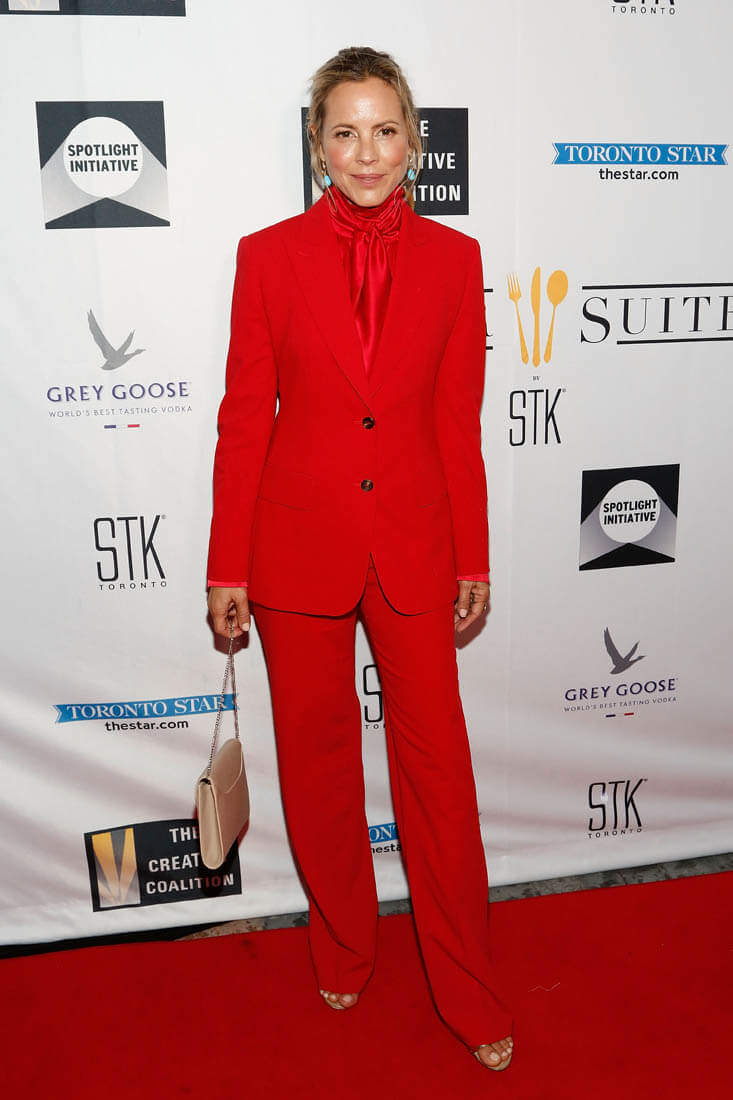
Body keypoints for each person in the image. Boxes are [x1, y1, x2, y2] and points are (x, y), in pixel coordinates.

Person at [206, 46, 514, 1072]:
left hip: (417, 543)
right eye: (345, 131)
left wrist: (472, 553)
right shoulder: (266, 256)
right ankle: (343, 944)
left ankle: (467, 986)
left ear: (414, 139)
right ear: (317, 143)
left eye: (385, 130)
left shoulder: (456, 259)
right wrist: (226, 565)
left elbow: (456, 424)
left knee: (439, 775)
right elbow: (245, 420)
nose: (366, 152)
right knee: (319, 765)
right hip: (296, 546)